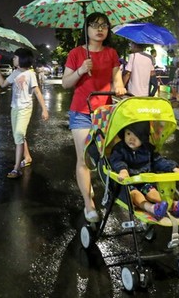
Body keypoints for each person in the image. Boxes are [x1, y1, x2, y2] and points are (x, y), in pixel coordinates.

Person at [62, 12, 126, 223]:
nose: (100, 29)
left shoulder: (111, 53)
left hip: (106, 114)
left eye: (104, 25)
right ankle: (88, 203)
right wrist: (81, 70)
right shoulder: (76, 53)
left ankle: (121, 195)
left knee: (110, 157)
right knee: (84, 160)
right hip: (81, 112)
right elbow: (66, 83)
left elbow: (117, 78)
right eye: (95, 25)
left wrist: (119, 85)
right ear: (86, 29)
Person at [109, 121, 179, 219]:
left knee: (152, 192)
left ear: (143, 137)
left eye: (136, 135)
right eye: (128, 133)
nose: (131, 138)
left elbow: (158, 161)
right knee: (135, 194)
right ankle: (152, 208)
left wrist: (173, 168)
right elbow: (116, 161)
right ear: (123, 133)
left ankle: (175, 206)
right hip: (127, 184)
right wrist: (122, 170)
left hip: (144, 181)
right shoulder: (119, 149)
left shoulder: (147, 149)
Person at [0, 48, 49, 179]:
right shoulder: (15, 73)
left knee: (18, 134)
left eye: (15, 57)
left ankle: (16, 168)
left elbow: (37, 92)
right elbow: (2, 84)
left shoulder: (30, 74)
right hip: (15, 108)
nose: (13, 59)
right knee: (19, 135)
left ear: (22, 59)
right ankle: (27, 157)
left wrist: (44, 109)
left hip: (25, 108)